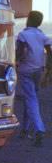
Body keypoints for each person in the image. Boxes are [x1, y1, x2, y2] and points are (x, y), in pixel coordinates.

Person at [16, 10, 52, 147]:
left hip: (25, 70)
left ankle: (39, 129)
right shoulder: (42, 36)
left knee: (31, 99)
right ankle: (25, 129)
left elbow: (19, 52)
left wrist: (15, 61)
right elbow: (49, 53)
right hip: (39, 71)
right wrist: (49, 71)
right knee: (30, 98)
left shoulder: (23, 35)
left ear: (28, 20)